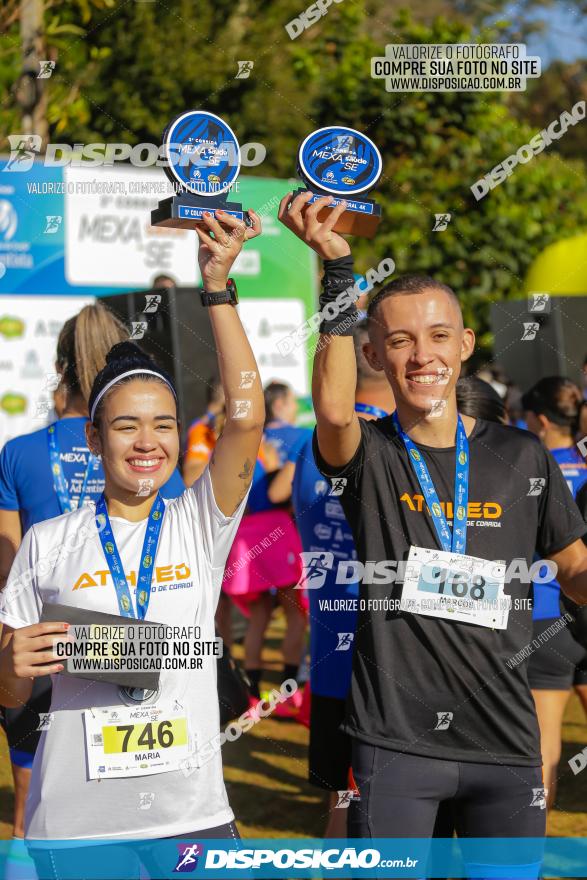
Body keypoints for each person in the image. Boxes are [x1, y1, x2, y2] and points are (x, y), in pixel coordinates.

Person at [278, 190, 587, 867]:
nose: (422, 355)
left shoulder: (520, 454)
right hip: (394, 741)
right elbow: (332, 413)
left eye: (438, 335)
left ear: (466, 344)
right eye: (400, 340)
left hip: (505, 742)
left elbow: (570, 565)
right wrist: (336, 270)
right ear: (376, 354)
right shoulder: (370, 452)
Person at [0, 209, 264, 867]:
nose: (147, 442)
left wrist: (216, 287)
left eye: (163, 425)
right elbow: (9, 694)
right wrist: (7, 669)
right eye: (125, 427)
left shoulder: (195, 523)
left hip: (191, 818)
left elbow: (245, 416)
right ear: (93, 439)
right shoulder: (47, 543)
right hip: (77, 824)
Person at [0, 302, 129, 839]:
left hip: (40, 638)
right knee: (126, 796)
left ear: (60, 367)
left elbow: (7, 564)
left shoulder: (20, 452)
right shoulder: (141, 445)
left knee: (33, 797)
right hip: (125, 633)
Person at [289, 319, 394, 837]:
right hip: (395, 647)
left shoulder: (310, 448)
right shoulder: (392, 447)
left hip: (330, 641)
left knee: (341, 798)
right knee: (404, 805)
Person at [522, 377, 587, 808]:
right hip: (583, 608)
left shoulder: (522, 466)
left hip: (545, 614)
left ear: (542, 421)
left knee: (543, 746)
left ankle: (530, 854)